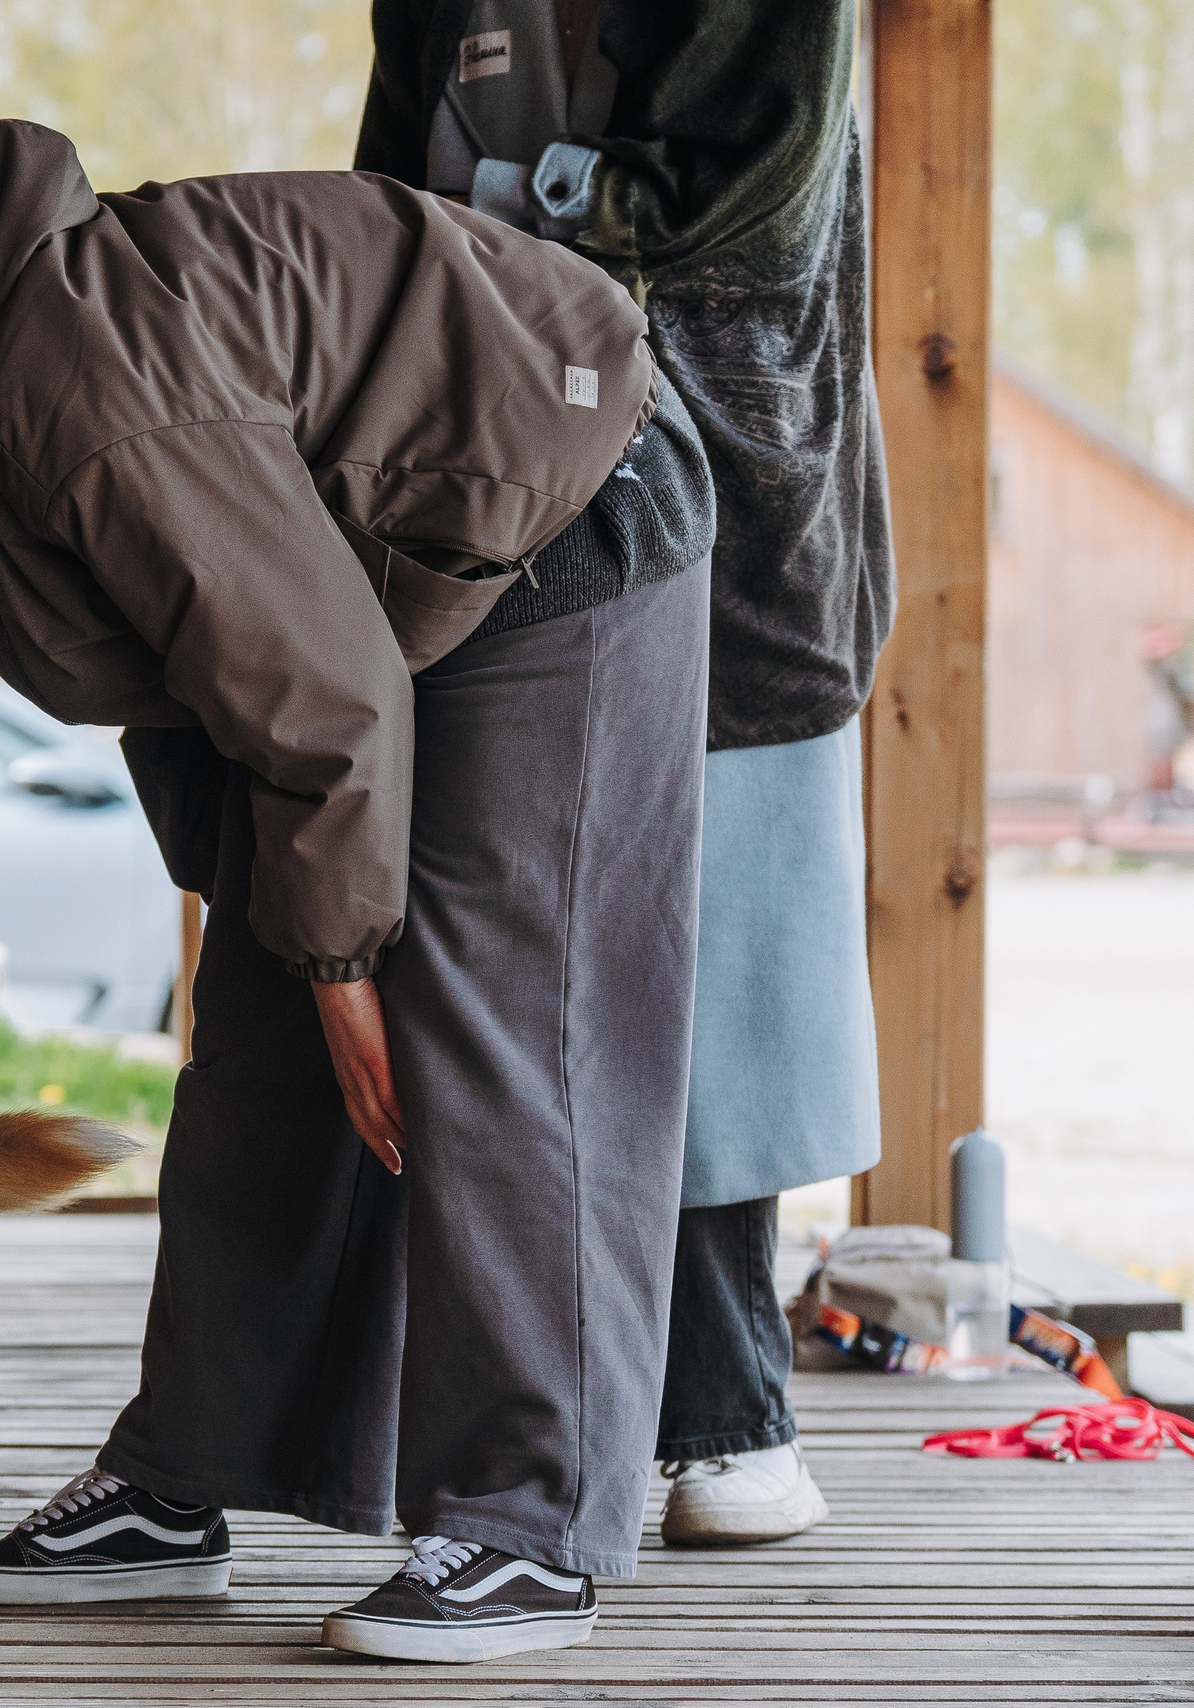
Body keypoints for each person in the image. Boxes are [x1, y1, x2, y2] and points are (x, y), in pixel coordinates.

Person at [0, 114, 715, 1663]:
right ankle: (181, 1487)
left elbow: (324, 697)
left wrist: (349, 964)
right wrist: (292, 942)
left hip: (563, 499)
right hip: (383, 601)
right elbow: (190, 686)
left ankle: (529, 1525)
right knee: (257, 1044)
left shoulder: (75, 384)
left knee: (500, 1025)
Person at [356, 0, 891, 1544]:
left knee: (707, 977)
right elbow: (387, 214)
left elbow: (746, 215)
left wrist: (511, 207)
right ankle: (490, 1418)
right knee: (503, 971)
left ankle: (730, 1413)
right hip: (489, 504)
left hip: (737, 528)